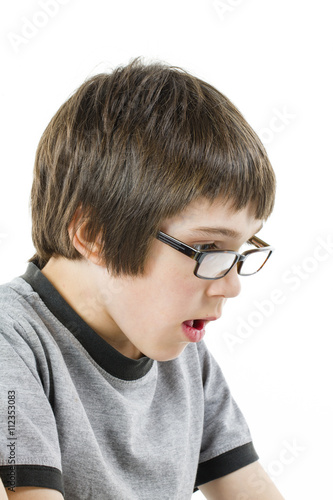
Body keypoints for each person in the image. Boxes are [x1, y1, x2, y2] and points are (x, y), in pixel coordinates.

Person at [0, 58, 284, 499]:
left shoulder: (182, 355)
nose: (231, 284)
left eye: (241, 249)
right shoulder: (11, 341)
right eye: (209, 250)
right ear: (94, 235)